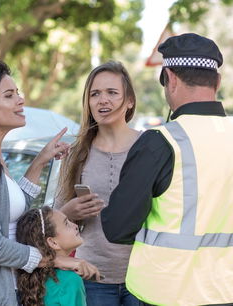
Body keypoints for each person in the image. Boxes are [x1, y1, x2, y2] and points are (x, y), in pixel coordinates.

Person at [101, 33, 233, 306]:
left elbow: (117, 227)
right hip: (230, 295)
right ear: (218, 81)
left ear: (171, 78)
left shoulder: (160, 141)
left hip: (165, 296)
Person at [0, 60, 99, 306]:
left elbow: (14, 207)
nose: (20, 100)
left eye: (18, 94)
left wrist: (40, 161)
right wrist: (52, 259)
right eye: (9, 95)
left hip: (4, 286)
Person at [55, 61, 142, 306]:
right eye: (95, 94)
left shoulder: (148, 146)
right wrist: (69, 212)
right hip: (92, 277)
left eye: (112, 93)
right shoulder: (77, 152)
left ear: (130, 101)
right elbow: (55, 219)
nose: (103, 100)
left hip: (142, 278)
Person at [15, 206, 89, 306]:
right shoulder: (70, 280)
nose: (75, 225)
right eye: (66, 224)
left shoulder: (32, 281)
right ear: (53, 242)